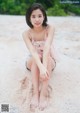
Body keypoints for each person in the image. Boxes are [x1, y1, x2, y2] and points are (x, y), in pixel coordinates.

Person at [22, 3, 56, 111]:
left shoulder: (49, 28)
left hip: (48, 59)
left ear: (44, 16)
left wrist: (44, 67)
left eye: (40, 16)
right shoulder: (26, 33)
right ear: (29, 18)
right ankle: (35, 94)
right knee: (36, 60)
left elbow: (47, 48)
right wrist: (41, 67)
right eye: (33, 16)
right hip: (33, 60)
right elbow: (33, 51)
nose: (37, 19)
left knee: (48, 59)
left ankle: (43, 94)